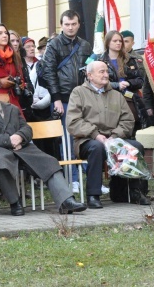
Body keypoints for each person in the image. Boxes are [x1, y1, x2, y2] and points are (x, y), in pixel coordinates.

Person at [0, 74, 87, 216]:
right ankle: (14, 202)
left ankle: (66, 201)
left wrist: (20, 136)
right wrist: (9, 140)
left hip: (22, 148)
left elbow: (27, 128)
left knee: (49, 161)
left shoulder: (11, 108)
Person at [66, 61, 151, 209]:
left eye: (106, 71)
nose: (106, 75)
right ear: (90, 75)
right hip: (87, 140)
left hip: (114, 138)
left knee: (136, 146)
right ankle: (93, 195)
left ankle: (131, 191)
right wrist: (95, 134)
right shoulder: (78, 93)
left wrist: (114, 136)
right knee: (97, 148)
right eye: (101, 72)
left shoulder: (116, 95)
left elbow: (128, 120)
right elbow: (74, 121)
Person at [41, 10, 93, 193]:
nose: (70, 27)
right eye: (67, 24)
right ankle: (73, 180)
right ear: (61, 25)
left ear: (78, 24)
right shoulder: (54, 45)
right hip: (62, 99)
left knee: (87, 137)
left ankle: (91, 178)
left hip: (84, 99)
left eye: (73, 24)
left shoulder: (85, 45)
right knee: (67, 140)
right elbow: (48, 72)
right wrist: (55, 99)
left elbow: (91, 71)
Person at [96, 30, 145, 138]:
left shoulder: (130, 59)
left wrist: (128, 83)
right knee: (112, 133)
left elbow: (140, 80)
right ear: (108, 43)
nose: (118, 43)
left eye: (120, 41)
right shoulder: (100, 61)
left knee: (130, 133)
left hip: (129, 100)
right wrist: (117, 85)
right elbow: (97, 83)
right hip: (108, 101)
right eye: (115, 41)